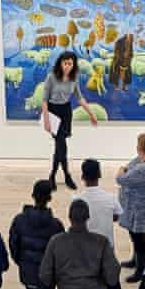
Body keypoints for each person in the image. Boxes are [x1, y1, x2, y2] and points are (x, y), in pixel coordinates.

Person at [8, 180, 65, 289]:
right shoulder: (55, 225)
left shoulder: (19, 220)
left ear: (33, 195)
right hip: (47, 276)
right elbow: (60, 252)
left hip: (27, 273)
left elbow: (13, 246)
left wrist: (22, 263)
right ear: (49, 198)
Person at [74, 159, 131, 289]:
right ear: (99, 175)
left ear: (83, 176)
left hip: (84, 248)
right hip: (106, 248)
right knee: (112, 281)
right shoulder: (110, 198)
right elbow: (117, 215)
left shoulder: (78, 199)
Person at [41, 51, 98, 191]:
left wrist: (91, 114)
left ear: (73, 65)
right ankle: (65, 175)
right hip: (54, 112)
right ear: (60, 63)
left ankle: (53, 176)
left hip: (66, 112)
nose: (67, 66)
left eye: (70, 63)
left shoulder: (74, 78)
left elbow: (79, 98)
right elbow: (44, 100)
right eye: (65, 63)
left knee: (59, 147)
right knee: (62, 146)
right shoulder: (51, 77)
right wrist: (46, 120)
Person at [117, 132, 145, 283]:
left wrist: (121, 172)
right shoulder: (141, 162)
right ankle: (135, 260)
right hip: (133, 207)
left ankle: (140, 269)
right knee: (133, 234)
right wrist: (125, 170)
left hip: (139, 209)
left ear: (141, 148)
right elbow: (129, 167)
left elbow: (122, 178)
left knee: (139, 238)